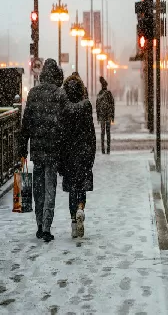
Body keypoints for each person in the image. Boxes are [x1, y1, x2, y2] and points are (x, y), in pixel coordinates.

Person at [19, 58, 67, 242]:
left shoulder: (33, 93)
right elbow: (63, 125)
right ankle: (47, 226)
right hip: (53, 150)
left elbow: (26, 124)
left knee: (38, 189)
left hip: (37, 150)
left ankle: (39, 224)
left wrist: (23, 147)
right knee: (50, 189)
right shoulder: (59, 94)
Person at [60, 74, 96, 238]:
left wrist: (60, 158)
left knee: (72, 190)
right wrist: (91, 155)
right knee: (81, 187)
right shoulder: (86, 106)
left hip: (68, 154)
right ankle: (81, 208)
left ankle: (74, 222)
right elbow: (91, 134)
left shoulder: (64, 107)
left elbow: (60, 134)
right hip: (83, 153)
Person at [96, 76, 115, 154]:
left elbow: (97, 106)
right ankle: (108, 149)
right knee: (108, 132)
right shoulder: (109, 94)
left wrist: (98, 117)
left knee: (103, 132)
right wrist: (112, 116)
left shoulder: (100, 94)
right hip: (107, 116)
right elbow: (112, 105)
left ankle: (103, 149)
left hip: (102, 116)